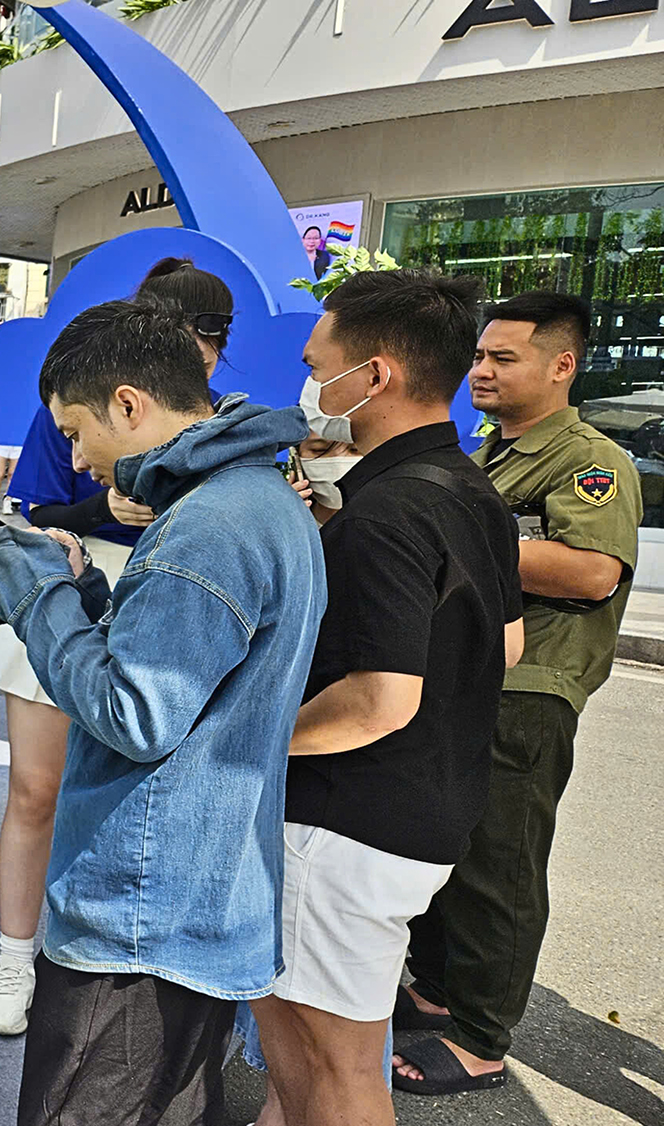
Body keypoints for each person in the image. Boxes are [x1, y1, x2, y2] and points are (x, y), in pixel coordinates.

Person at [0, 300, 325, 1125]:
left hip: (140, 918)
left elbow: (134, 714)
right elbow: (183, 671)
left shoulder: (207, 527)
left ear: (127, 403)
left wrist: (35, 595)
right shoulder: (246, 497)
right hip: (190, 900)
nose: (76, 459)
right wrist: (84, 592)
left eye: (76, 433)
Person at [249, 270, 524, 1126]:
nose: (309, 386)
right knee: (297, 1066)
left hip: (344, 827)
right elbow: (507, 644)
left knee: (334, 1070)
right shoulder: (469, 489)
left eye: (316, 365)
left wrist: (251, 738)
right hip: (424, 808)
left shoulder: (386, 512)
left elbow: (378, 700)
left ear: (373, 376)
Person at [0, 256, 234, 1038]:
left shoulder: (231, 422)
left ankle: (124, 961)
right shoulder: (79, 398)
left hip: (175, 603)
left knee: (145, 794)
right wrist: (104, 506)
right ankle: (16, 955)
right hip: (82, 581)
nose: (197, 358)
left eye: (210, 346)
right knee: (36, 789)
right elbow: (39, 508)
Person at [394, 291, 643, 1096]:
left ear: (562, 365)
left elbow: (592, 571)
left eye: (503, 358)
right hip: (462, 679)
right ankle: (439, 991)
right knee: (446, 846)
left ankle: (479, 1041)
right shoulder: (488, 455)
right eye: (479, 356)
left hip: (529, 688)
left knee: (499, 864)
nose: (482, 371)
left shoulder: (589, 462)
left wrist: (444, 528)